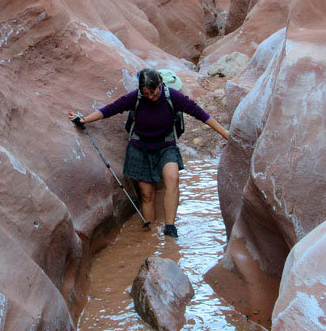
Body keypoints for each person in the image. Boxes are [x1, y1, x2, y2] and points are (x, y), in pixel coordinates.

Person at [69, 68, 230, 238]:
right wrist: (85, 119)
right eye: (146, 93)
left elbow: (201, 114)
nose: (150, 97)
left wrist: (225, 133)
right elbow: (110, 109)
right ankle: (151, 234)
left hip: (166, 146)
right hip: (140, 149)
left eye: (153, 92)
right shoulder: (136, 97)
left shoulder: (173, 96)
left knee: (172, 178)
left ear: (160, 84)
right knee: (147, 195)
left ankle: (170, 228)